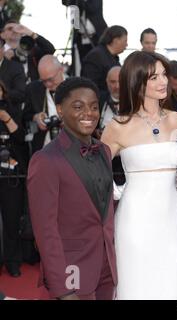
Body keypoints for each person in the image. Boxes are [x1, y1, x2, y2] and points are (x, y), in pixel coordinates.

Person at [101, 51, 177, 300]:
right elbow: (95, 170)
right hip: (135, 219)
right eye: (154, 77)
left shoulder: (176, 119)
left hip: (170, 219)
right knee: (136, 285)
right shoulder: (118, 126)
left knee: (169, 284)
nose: (163, 82)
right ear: (137, 82)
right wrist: (119, 191)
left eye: (164, 75)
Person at [27, 77, 117, 300]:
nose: (89, 113)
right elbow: (45, 231)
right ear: (60, 110)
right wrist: (62, 288)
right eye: (78, 106)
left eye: (94, 107)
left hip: (107, 268)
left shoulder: (104, 151)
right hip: (72, 272)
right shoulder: (46, 160)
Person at [0, 80, 27, 278]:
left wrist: (6, 118)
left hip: (12, 175)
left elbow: (21, 139)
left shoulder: (13, 110)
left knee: (11, 220)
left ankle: (12, 261)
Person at [22, 55, 66, 154]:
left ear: (61, 70)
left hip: (72, 147)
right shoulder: (33, 89)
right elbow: (25, 116)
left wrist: (71, 122)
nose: (48, 84)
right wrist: (36, 118)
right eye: (43, 81)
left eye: (51, 79)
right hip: (44, 148)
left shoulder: (78, 87)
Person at [81, 25, 127, 93]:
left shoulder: (113, 58)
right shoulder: (95, 56)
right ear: (116, 40)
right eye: (125, 41)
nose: (127, 44)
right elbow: (90, 84)